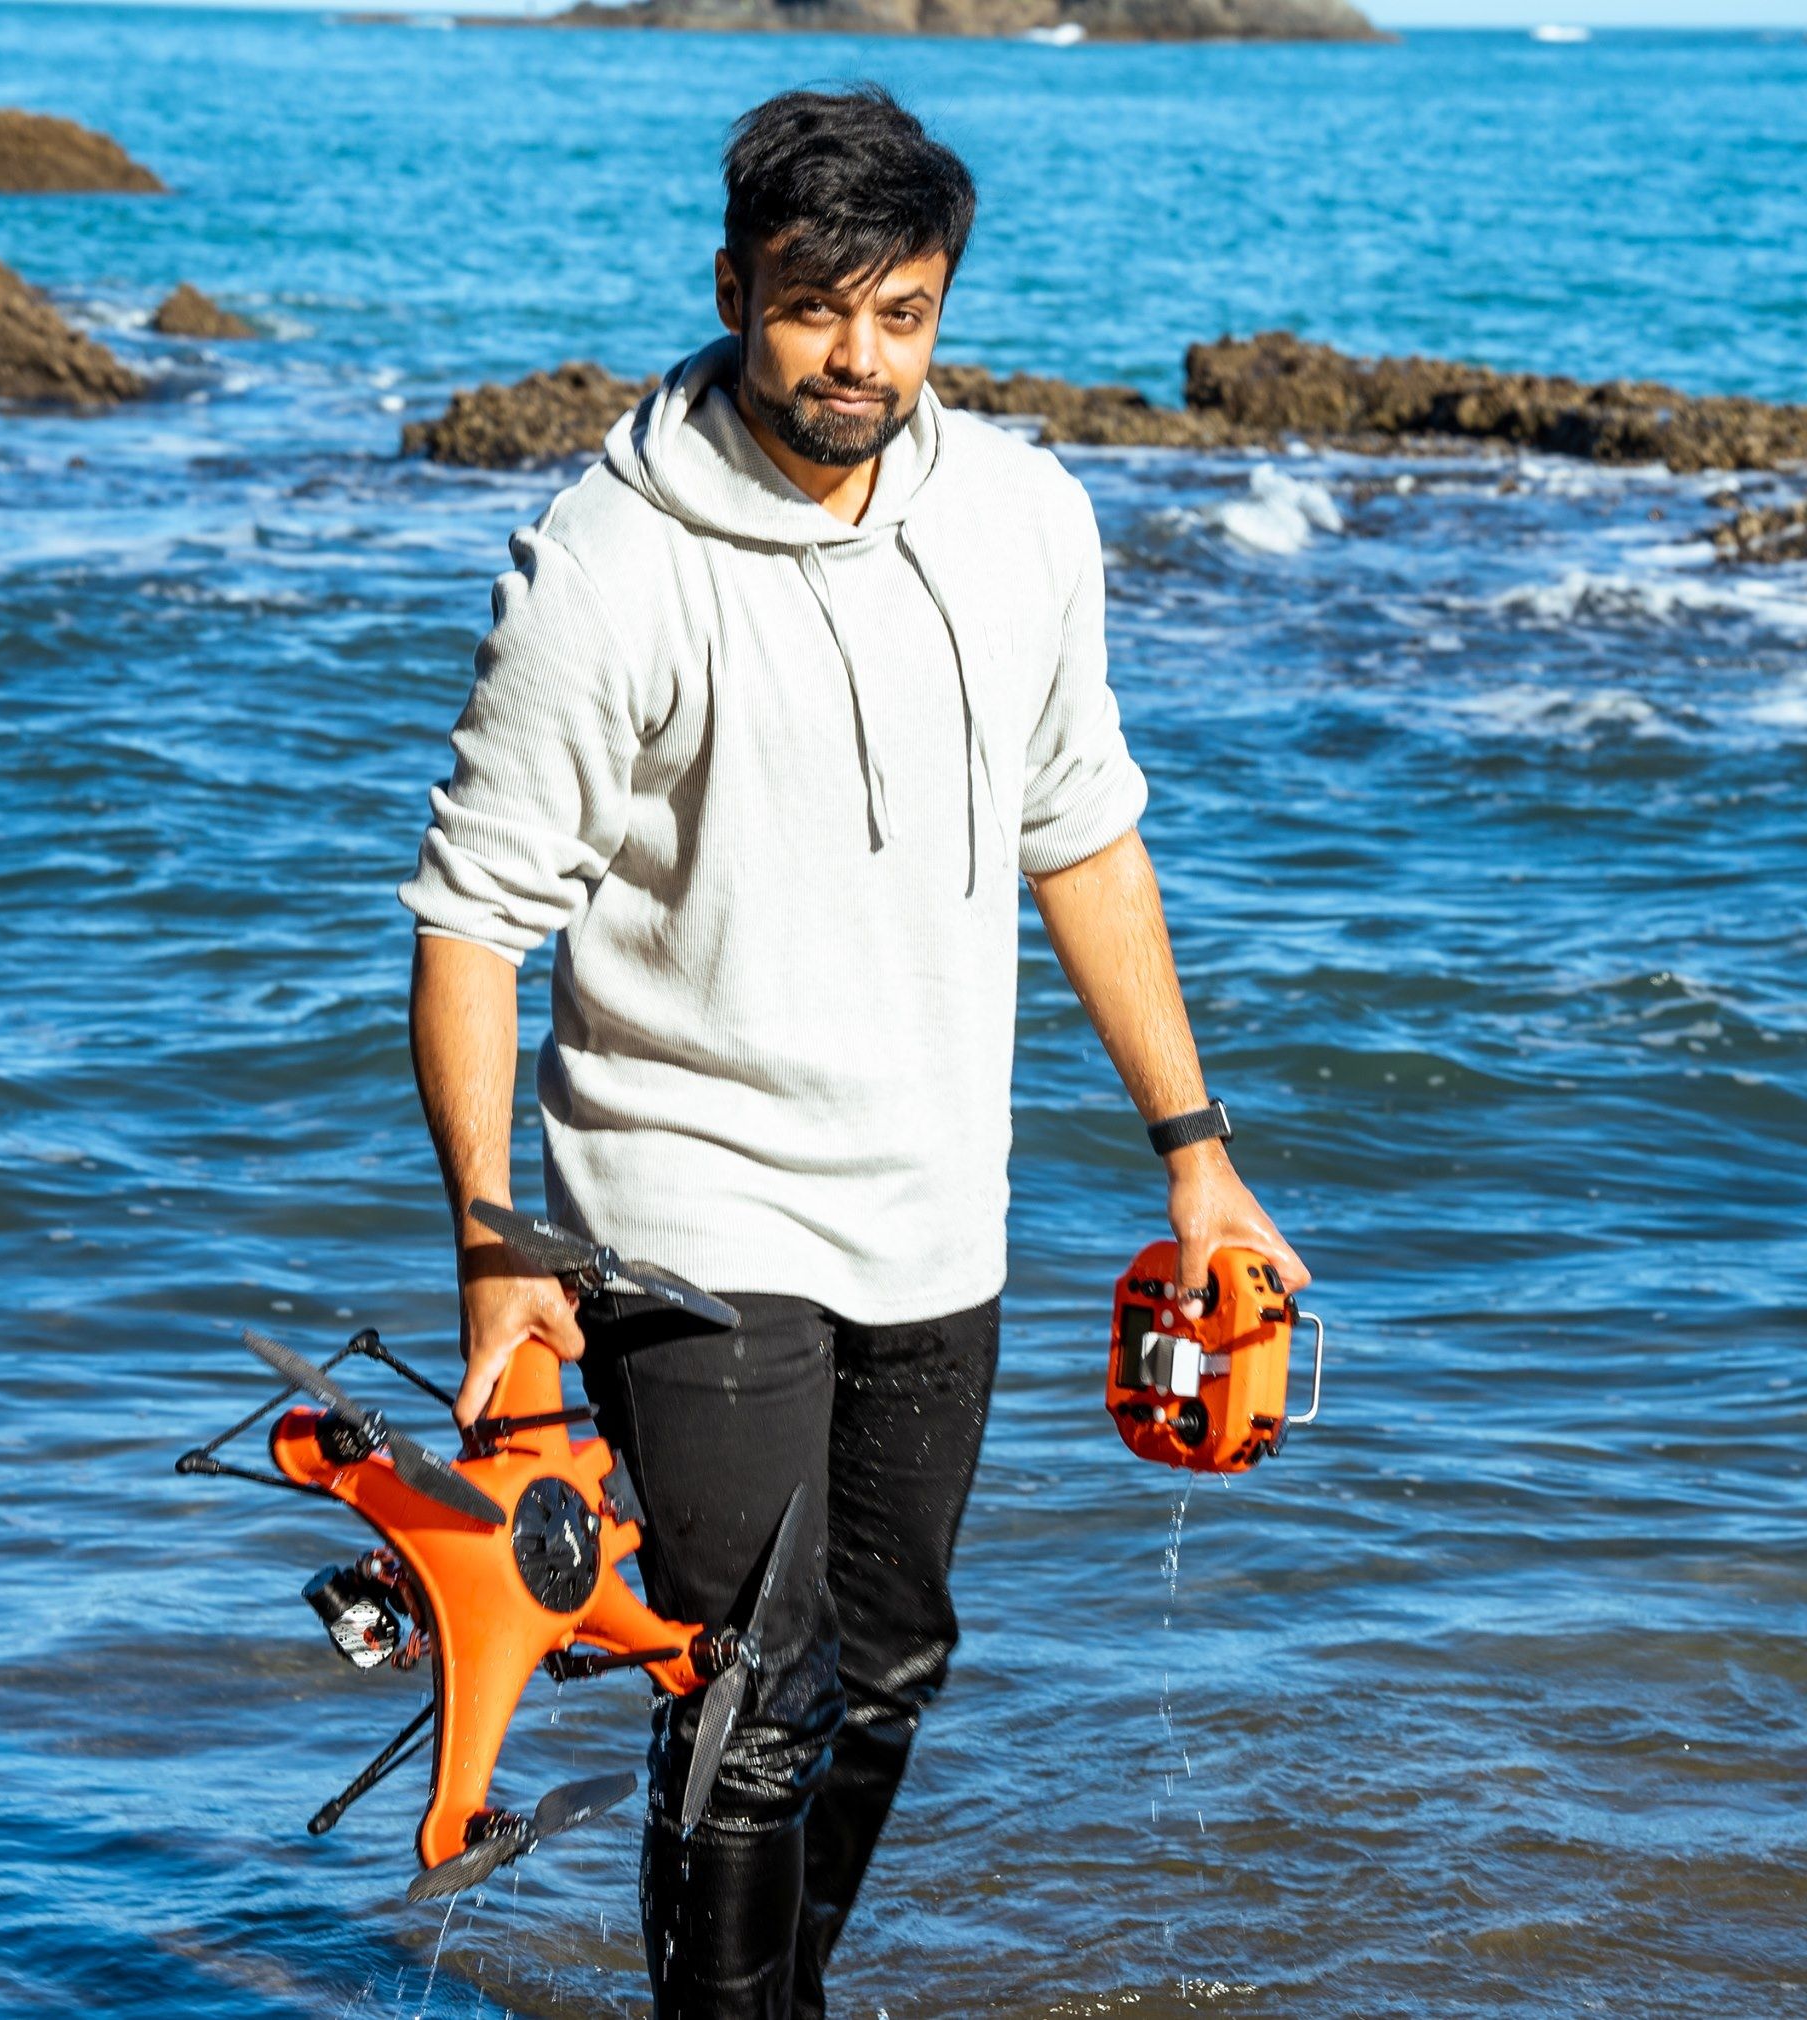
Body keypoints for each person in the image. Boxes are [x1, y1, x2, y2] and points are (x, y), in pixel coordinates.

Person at [400, 85, 1306, 2020]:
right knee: (751, 1689)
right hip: (679, 1203)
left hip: (931, 1203)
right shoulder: (608, 568)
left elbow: (1083, 823)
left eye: (905, 315)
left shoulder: (1025, 517)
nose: (860, 360)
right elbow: (473, 916)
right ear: (733, 284)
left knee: (885, 1669)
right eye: (817, 309)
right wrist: (494, 1245)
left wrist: (1194, 1143)